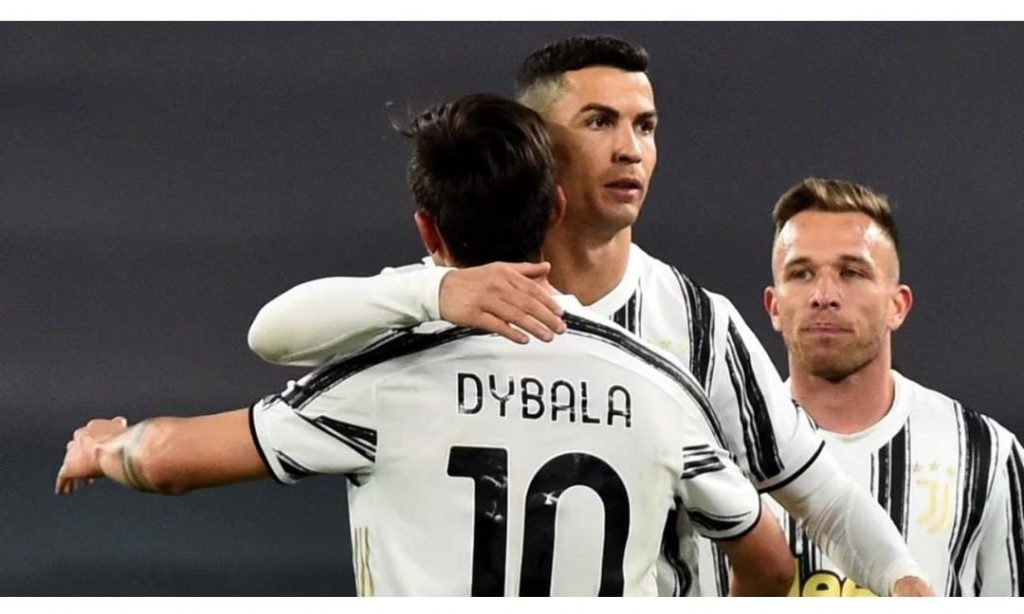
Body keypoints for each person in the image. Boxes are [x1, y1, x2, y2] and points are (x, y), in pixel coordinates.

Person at [245, 35, 933, 597]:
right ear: (538, 146)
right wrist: (433, 292)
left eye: (645, 126)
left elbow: (820, 494)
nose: (630, 148)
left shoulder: (698, 323)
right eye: (600, 122)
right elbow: (273, 334)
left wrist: (905, 582)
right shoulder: (449, 293)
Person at [56, 93, 794, 597]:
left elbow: (167, 459)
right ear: (557, 209)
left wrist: (103, 449)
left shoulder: (387, 384)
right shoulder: (659, 385)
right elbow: (768, 561)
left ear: (427, 230)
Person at [757, 177, 1024, 596]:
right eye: (802, 273)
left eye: (851, 272)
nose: (824, 295)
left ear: (897, 305)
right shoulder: (720, 454)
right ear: (774, 306)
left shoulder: (987, 455)